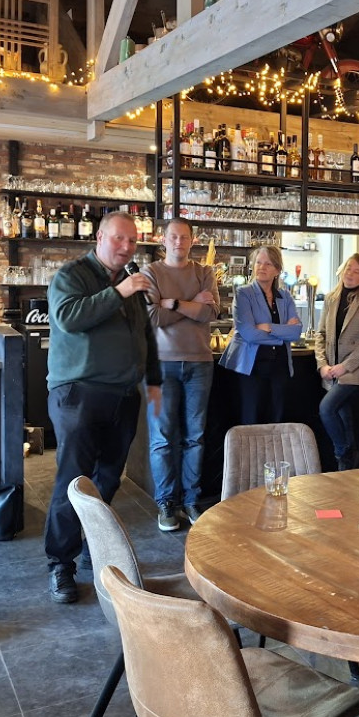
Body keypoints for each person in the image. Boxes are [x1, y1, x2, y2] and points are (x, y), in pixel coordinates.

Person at [43, 211, 161, 604]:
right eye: (119, 239)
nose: (127, 247)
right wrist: (121, 292)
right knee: (74, 481)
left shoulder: (130, 284)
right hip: (78, 392)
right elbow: (69, 317)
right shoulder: (72, 276)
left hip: (123, 395)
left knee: (108, 479)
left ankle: (96, 545)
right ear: (99, 237)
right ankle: (61, 562)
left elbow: (145, 335)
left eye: (133, 241)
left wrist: (154, 381)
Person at [144, 218, 219, 531]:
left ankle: (190, 499)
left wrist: (170, 302)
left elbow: (210, 312)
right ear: (164, 239)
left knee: (195, 437)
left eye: (184, 237)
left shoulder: (205, 272)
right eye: (173, 237)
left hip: (200, 363)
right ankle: (165, 503)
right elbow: (151, 316)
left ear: (193, 240)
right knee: (162, 438)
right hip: (161, 364)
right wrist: (188, 305)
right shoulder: (151, 273)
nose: (178, 242)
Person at [220, 245, 303, 424]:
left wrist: (268, 327)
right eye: (258, 262)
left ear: (277, 270)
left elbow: (296, 332)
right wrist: (283, 334)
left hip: (280, 368)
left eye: (267, 264)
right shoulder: (244, 294)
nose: (261, 267)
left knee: (276, 421)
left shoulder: (285, 297)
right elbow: (249, 334)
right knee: (251, 420)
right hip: (252, 367)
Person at [316, 253, 359, 470]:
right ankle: (350, 465)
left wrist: (345, 367)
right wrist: (322, 365)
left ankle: (342, 453)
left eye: (356, 271)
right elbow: (321, 334)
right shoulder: (331, 298)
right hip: (332, 368)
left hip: (357, 370)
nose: (350, 274)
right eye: (348, 269)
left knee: (327, 408)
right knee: (343, 415)